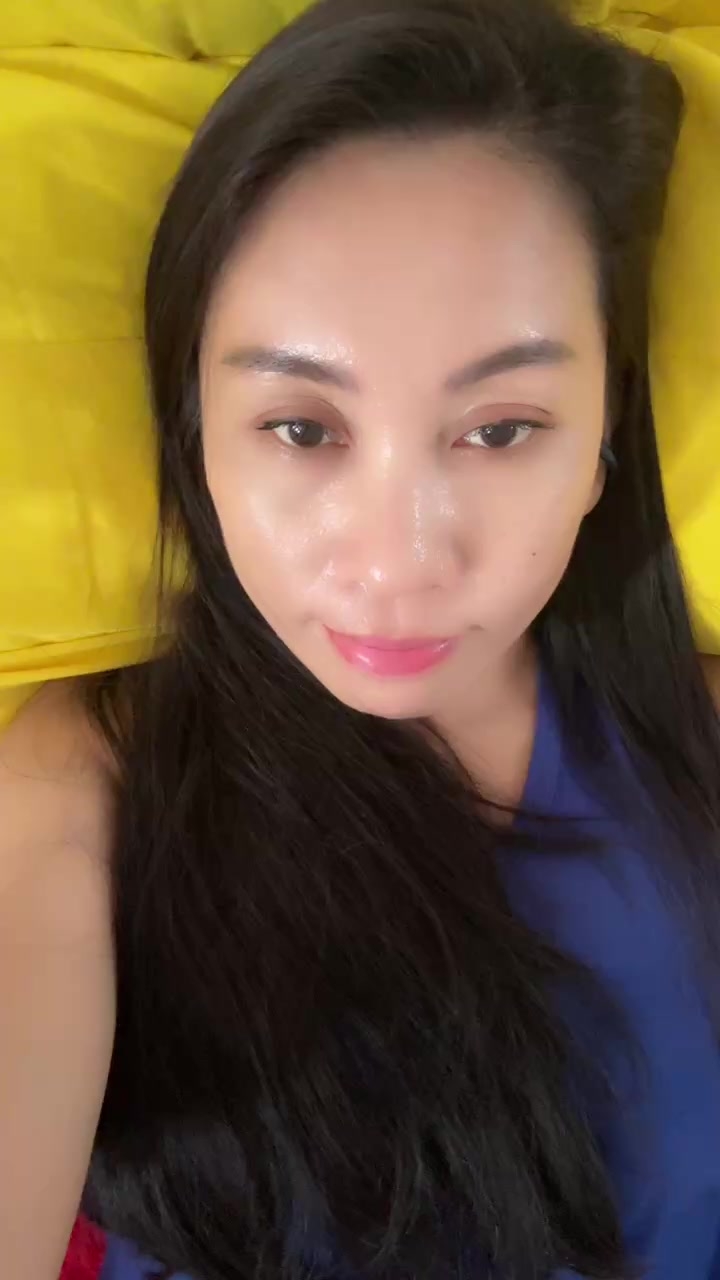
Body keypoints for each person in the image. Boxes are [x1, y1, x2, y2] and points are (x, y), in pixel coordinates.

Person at [2, 0, 720, 1276]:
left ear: (606, 435)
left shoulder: (699, 749)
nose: (395, 563)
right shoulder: (85, 780)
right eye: (301, 426)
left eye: (501, 428)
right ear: (196, 436)